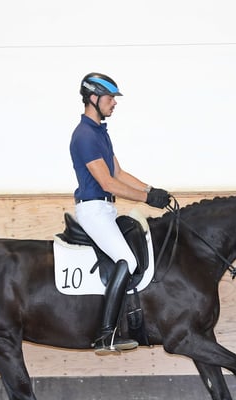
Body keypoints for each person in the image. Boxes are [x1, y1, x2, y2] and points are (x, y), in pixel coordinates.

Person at [69, 72, 171, 355]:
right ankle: (106, 334)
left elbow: (119, 173)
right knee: (126, 259)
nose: (114, 103)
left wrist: (153, 189)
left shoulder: (100, 131)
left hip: (105, 208)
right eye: (110, 98)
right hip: (93, 209)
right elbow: (107, 183)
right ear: (93, 98)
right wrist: (147, 198)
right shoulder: (85, 136)